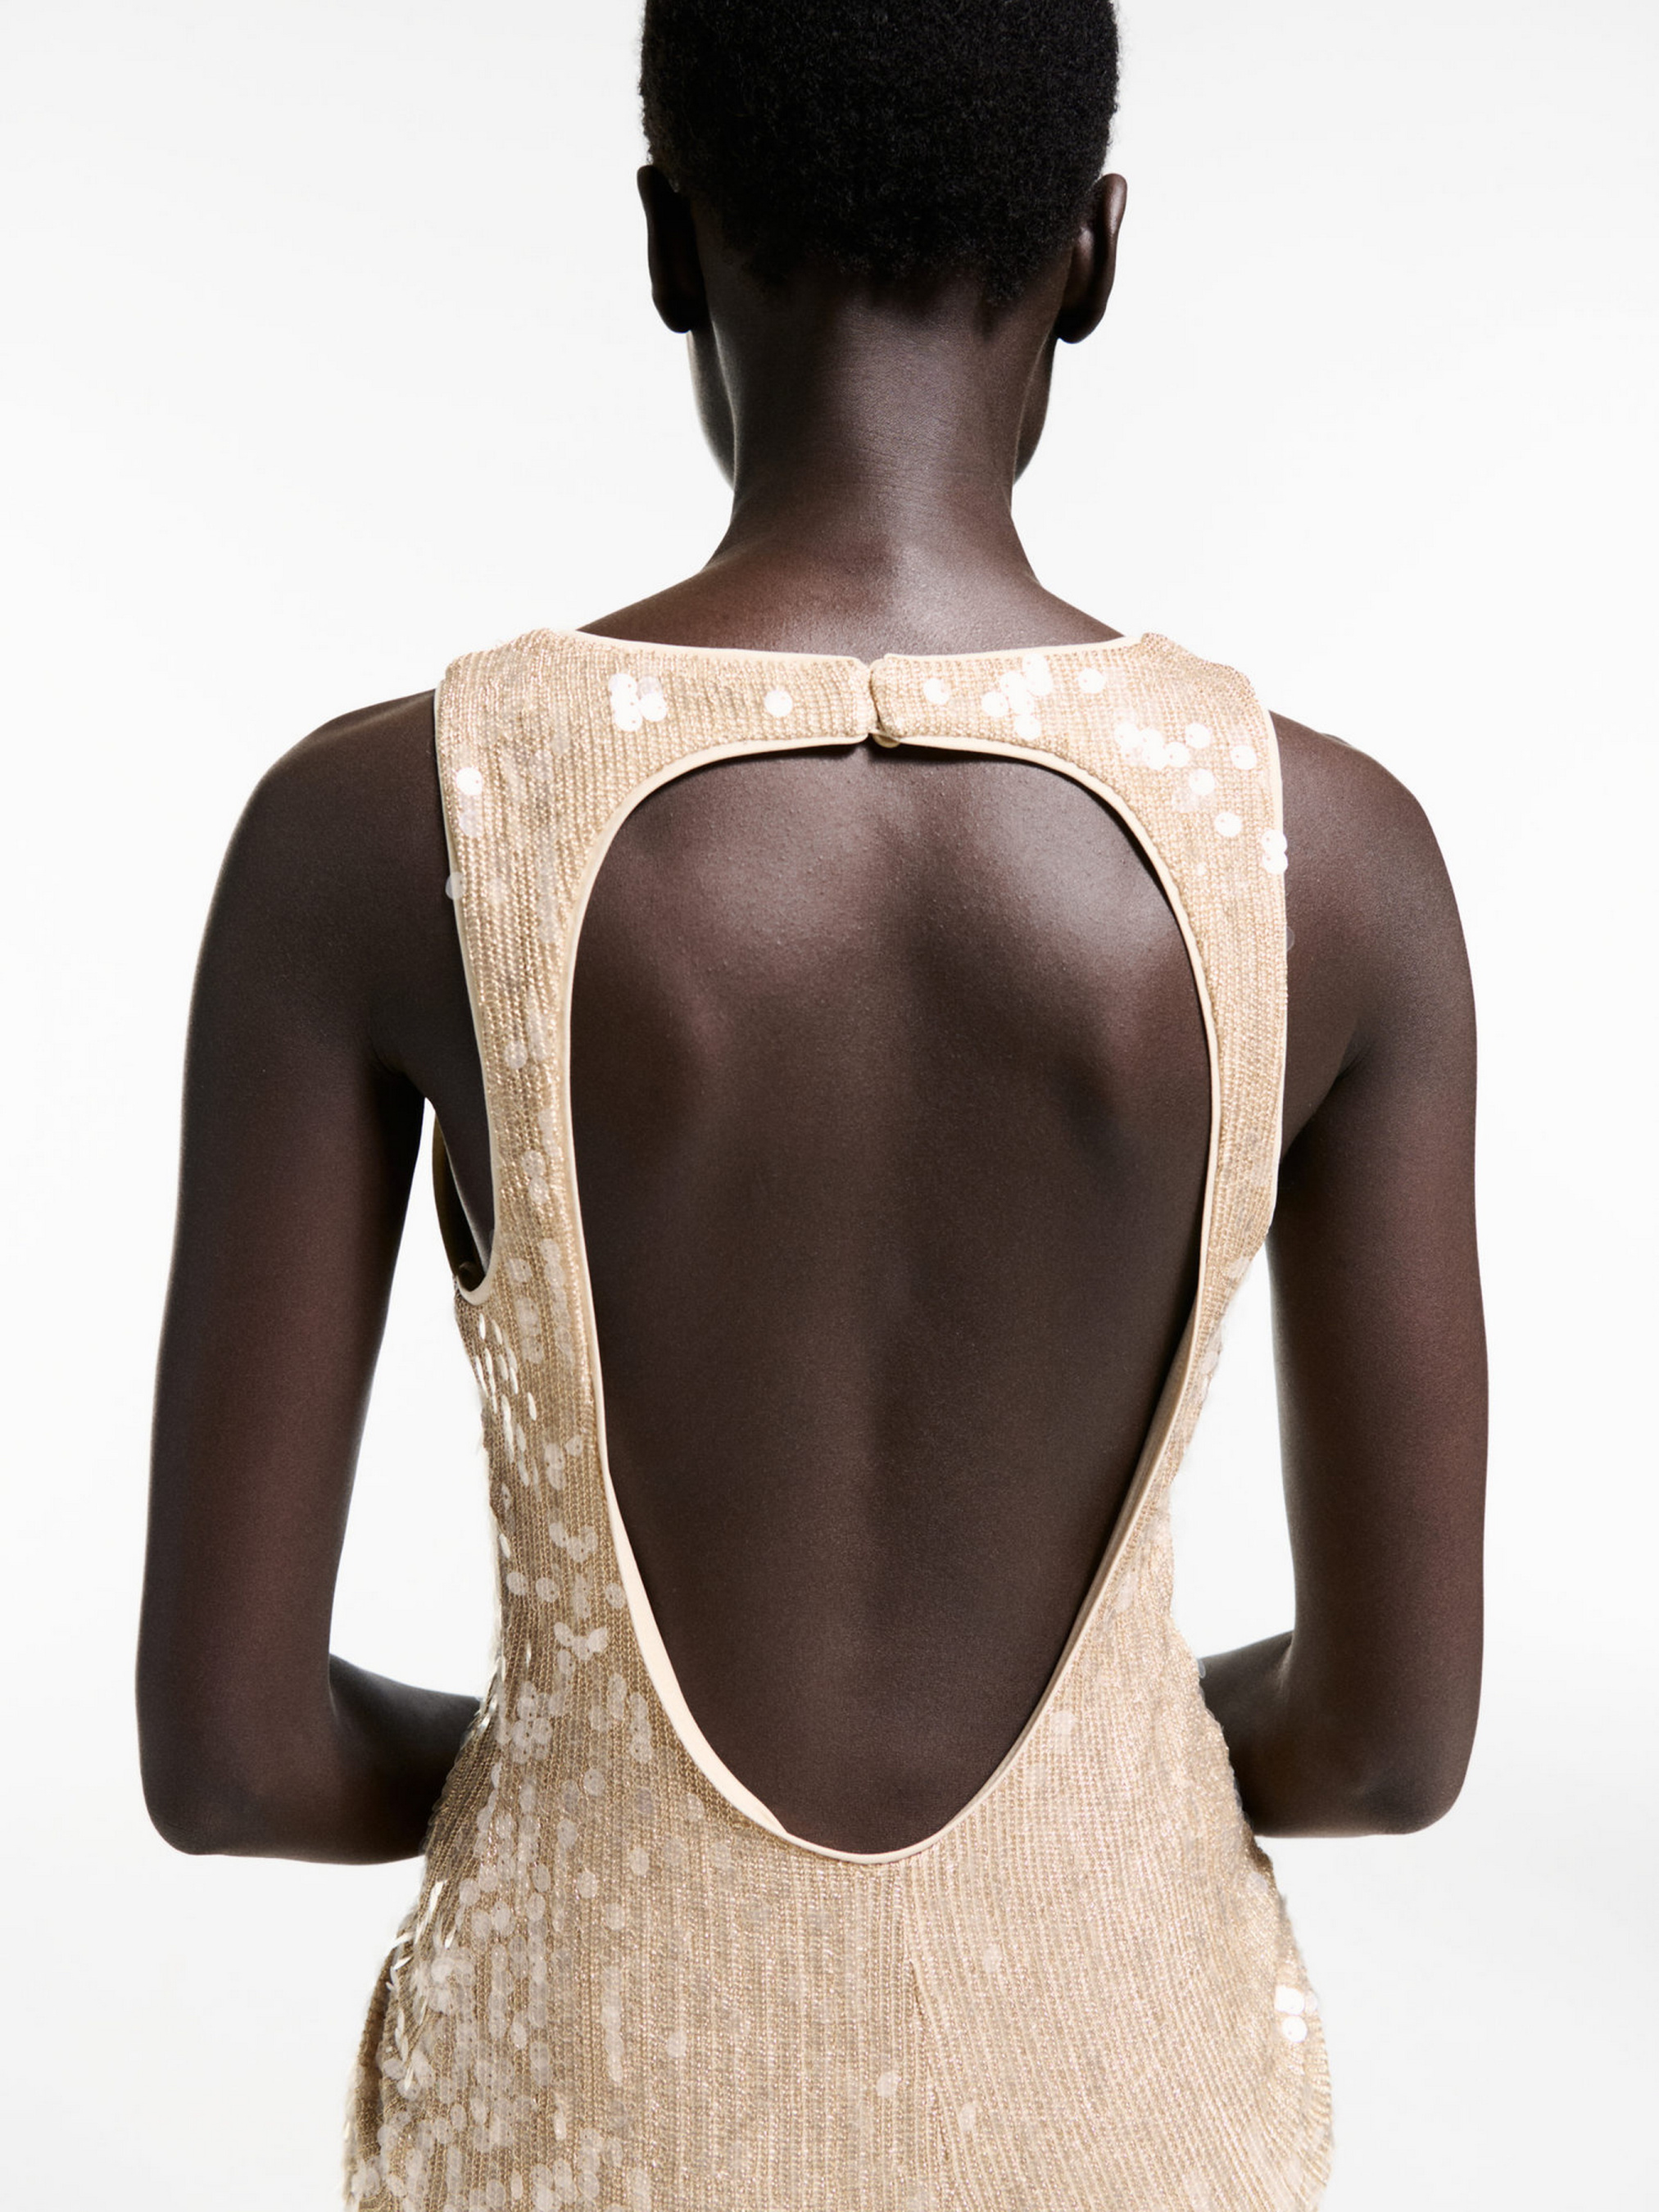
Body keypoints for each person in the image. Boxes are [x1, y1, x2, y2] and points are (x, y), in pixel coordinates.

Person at [138, 1, 1486, 2204]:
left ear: (668, 242)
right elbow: (1389, 1742)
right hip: (1122, 2112)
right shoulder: (1325, 857)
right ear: (1092, 253)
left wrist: (583, 1774)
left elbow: (233, 1755)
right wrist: (1108, 1776)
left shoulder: (384, 830)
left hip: (583, 2118)